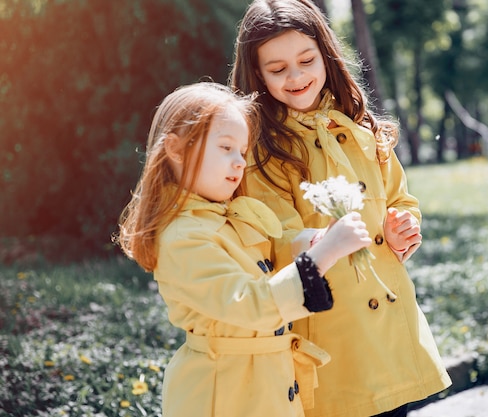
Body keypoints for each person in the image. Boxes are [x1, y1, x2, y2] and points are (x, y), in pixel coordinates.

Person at [229, 1, 452, 416]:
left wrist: (404, 226)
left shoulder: (358, 127)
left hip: (386, 315)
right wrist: (320, 242)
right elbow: (272, 235)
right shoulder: (265, 150)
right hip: (331, 327)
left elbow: (399, 197)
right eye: (277, 70)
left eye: (306, 60)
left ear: (326, 56)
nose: (295, 77)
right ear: (256, 73)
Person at [115, 82, 372, 417]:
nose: (239, 163)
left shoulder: (222, 216)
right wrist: (323, 255)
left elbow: (265, 257)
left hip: (261, 386)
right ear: (176, 150)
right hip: (225, 395)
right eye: (225, 147)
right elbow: (252, 304)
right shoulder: (183, 237)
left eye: (242, 151)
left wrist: (313, 241)